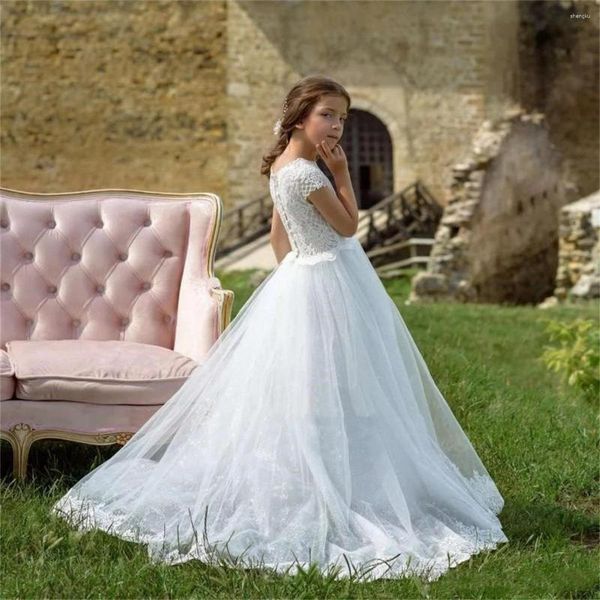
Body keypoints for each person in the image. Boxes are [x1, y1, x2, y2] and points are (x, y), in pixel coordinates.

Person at [51, 75, 508, 582]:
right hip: (329, 276)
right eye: (327, 115)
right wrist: (343, 175)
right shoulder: (311, 175)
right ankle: (338, 484)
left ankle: (326, 471)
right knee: (343, 384)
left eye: (342, 117)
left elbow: (277, 231)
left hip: (302, 276)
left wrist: (288, 275)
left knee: (313, 386)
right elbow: (349, 226)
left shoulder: (281, 169)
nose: (336, 125)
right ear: (299, 118)